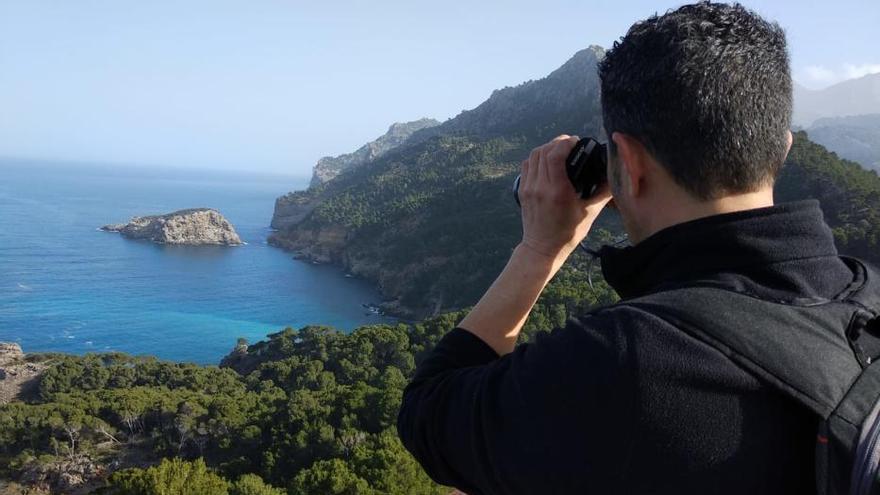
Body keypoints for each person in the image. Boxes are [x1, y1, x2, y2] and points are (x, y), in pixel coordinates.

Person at [396, 2, 868, 494]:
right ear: (784, 147)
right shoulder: (868, 304)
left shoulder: (625, 363)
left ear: (628, 162)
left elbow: (428, 415)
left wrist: (539, 250)